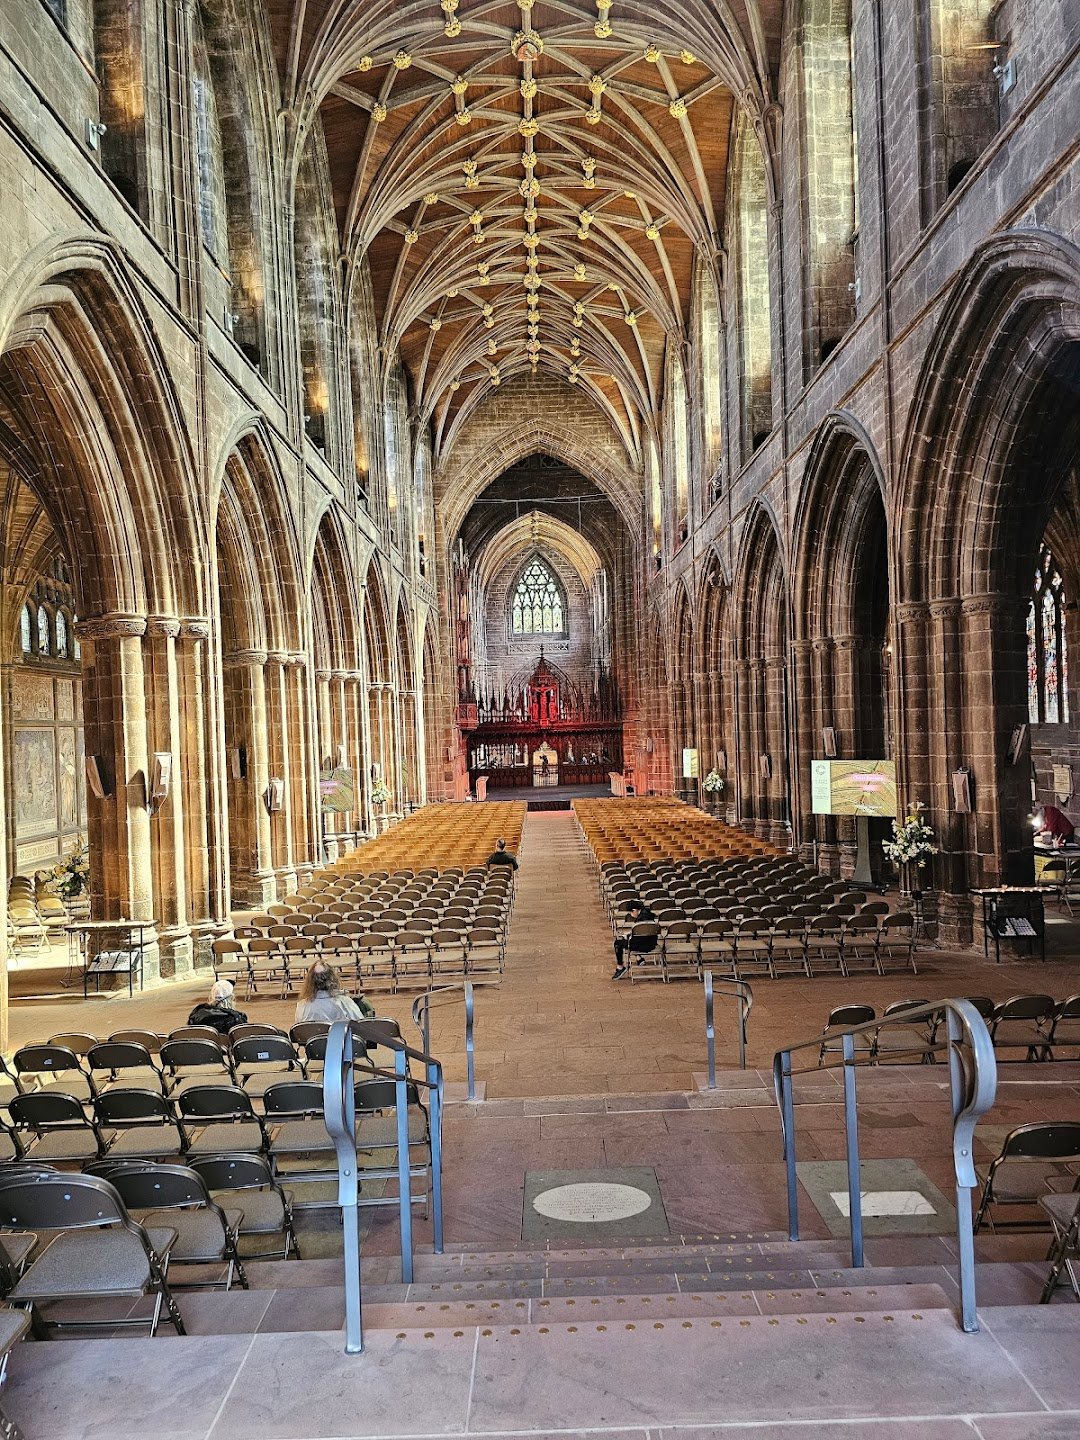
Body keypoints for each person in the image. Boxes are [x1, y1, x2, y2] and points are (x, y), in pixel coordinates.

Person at [294, 961, 375, 1024]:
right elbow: (360, 1025)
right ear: (333, 979)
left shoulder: (301, 1006)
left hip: (313, 1040)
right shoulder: (344, 1002)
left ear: (309, 982)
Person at [612, 898, 658, 980]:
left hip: (642, 946)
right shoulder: (649, 915)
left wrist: (627, 936)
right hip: (652, 944)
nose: (630, 914)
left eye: (631, 912)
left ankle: (620, 967)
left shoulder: (640, 920)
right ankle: (639, 958)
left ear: (634, 910)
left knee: (618, 943)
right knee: (629, 940)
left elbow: (636, 939)